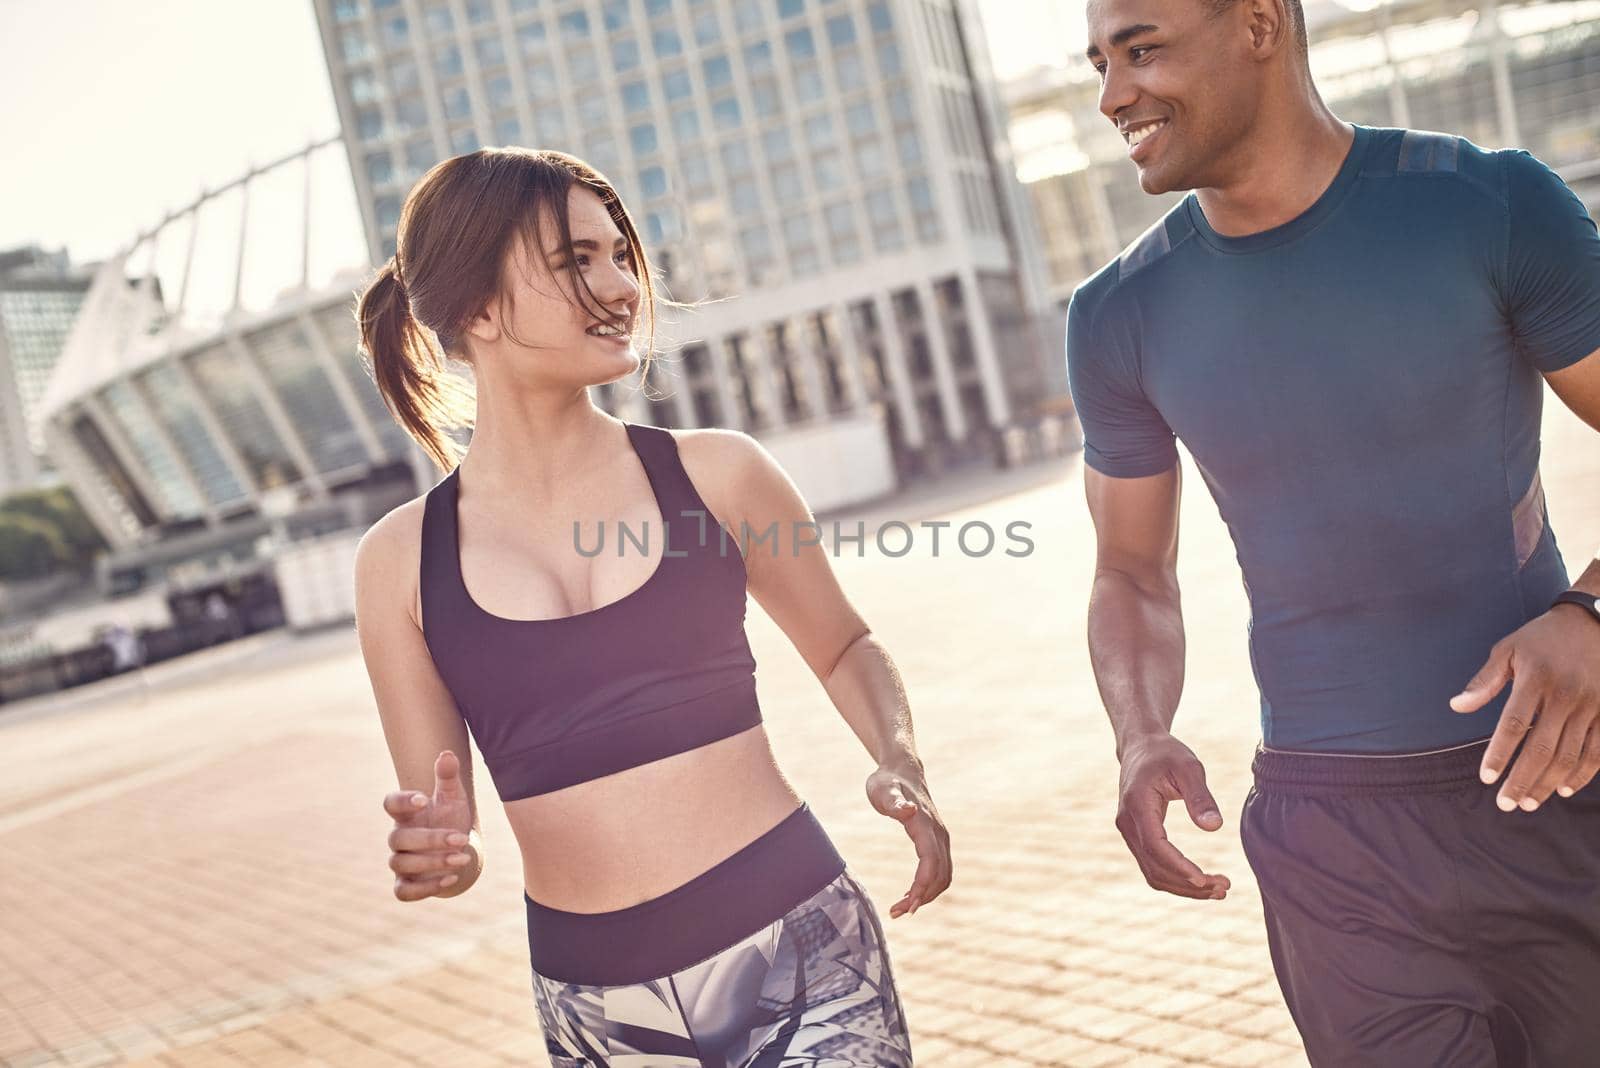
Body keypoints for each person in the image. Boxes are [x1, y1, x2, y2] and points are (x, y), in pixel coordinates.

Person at [1068, 0, 1600, 1063]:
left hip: (1552, 784)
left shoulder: (1487, 206)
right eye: (1098, 62)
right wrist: (1139, 731)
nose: (1111, 93)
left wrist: (1590, 611)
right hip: (1331, 839)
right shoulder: (1117, 311)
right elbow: (1131, 570)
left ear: (1260, 25)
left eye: (1141, 49)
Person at [350, 148, 948, 1066]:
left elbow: (844, 644)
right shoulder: (398, 562)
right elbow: (447, 811)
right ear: (475, 307)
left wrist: (897, 754)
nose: (622, 284)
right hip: (600, 1015)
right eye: (575, 261)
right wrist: (443, 855)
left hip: (803, 957)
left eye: (620, 254)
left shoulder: (719, 475)